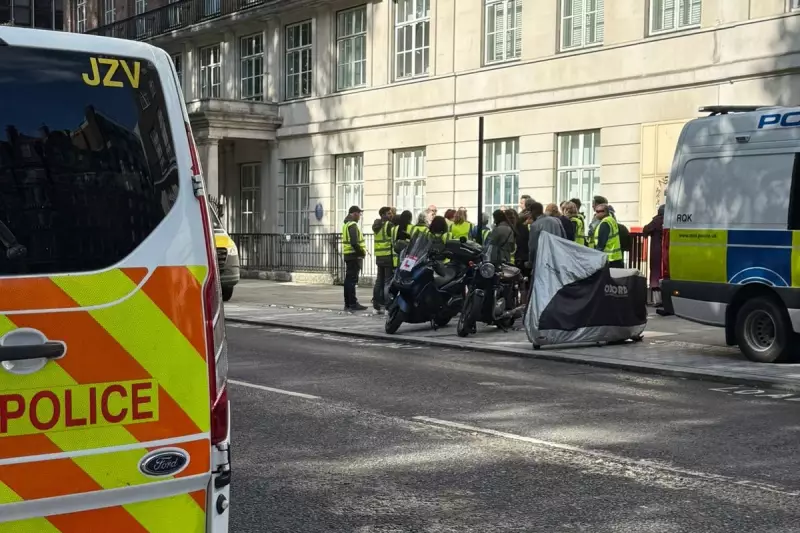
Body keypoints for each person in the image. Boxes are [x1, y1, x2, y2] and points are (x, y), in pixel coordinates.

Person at [528, 201, 566, 276]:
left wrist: (531, 262)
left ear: (532, 212)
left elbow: (533, 246)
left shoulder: (535, 225)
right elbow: (564, 238)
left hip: (542, 261)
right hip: (557, 258)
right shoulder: (556, 220)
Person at [342, 205, 367, 311]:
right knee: (352, 281)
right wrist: (361, 252)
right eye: (359, 213)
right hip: (353, 256)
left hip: (348, 255)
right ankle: (352, 303)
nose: (360, 216)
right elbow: (354, 242)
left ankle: (348, 303)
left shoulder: (346, 224)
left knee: (348, 280)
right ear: (354, 213)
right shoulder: (353, 225)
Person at [371, 206, 394, 313]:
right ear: (383, 215)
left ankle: (376, 305)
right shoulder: (388, 225)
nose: (391, 215)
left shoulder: (376, 225)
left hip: (379, 257)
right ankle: (387, 306)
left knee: (379, 281)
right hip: (388, 256)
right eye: (389, 213)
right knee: (387, 282)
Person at [643, 204, 665, 306]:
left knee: (656, 274)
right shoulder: (670, 221)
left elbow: (646, 230)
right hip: (667, 251)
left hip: (656, 251)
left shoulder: (656, 221)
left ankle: (657, 300)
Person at [593, 203, 624, 268]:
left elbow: (601, 243)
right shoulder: (611, 220)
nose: (596, 214)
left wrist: (596, 257)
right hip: (616, 257)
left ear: (604, 212)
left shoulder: (605, 223)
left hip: (608, 259)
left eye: (598, 211)